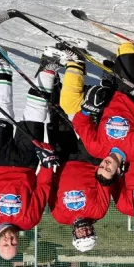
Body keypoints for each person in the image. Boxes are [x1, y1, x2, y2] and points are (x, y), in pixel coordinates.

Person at [0, 52, 59, 260]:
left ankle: (3, 67)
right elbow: (42, 189)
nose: (10, 240)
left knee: (1, 111)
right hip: (26, 163)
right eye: (13, 243)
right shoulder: (28, 221)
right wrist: (47, 165)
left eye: (5, 244)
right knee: (36, 114)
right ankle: (48, 69)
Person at [68, 43, 134, 185]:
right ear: (118, 171)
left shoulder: (96, 149)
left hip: (107, 97)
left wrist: (87, 109)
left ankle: (83, 66)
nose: (105, 164)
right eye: (108, 169)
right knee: (126, 48)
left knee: (67, 103)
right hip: (131, 94)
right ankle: (112, 71)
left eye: (102, 167)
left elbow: (80, 124)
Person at [46, 102, 112, 253]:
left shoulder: (60, 216)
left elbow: (51, 188)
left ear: (74, 235)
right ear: (93, 231)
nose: (84, 232)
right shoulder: (98, 212)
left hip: (64, 161)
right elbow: (104, 184)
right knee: (93, 122)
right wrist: (102, 161)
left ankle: (54, 87)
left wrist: (50, 166)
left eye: (81, 236)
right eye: (88, 234)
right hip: (88, 159)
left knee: (58, 117)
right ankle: (96, 98)